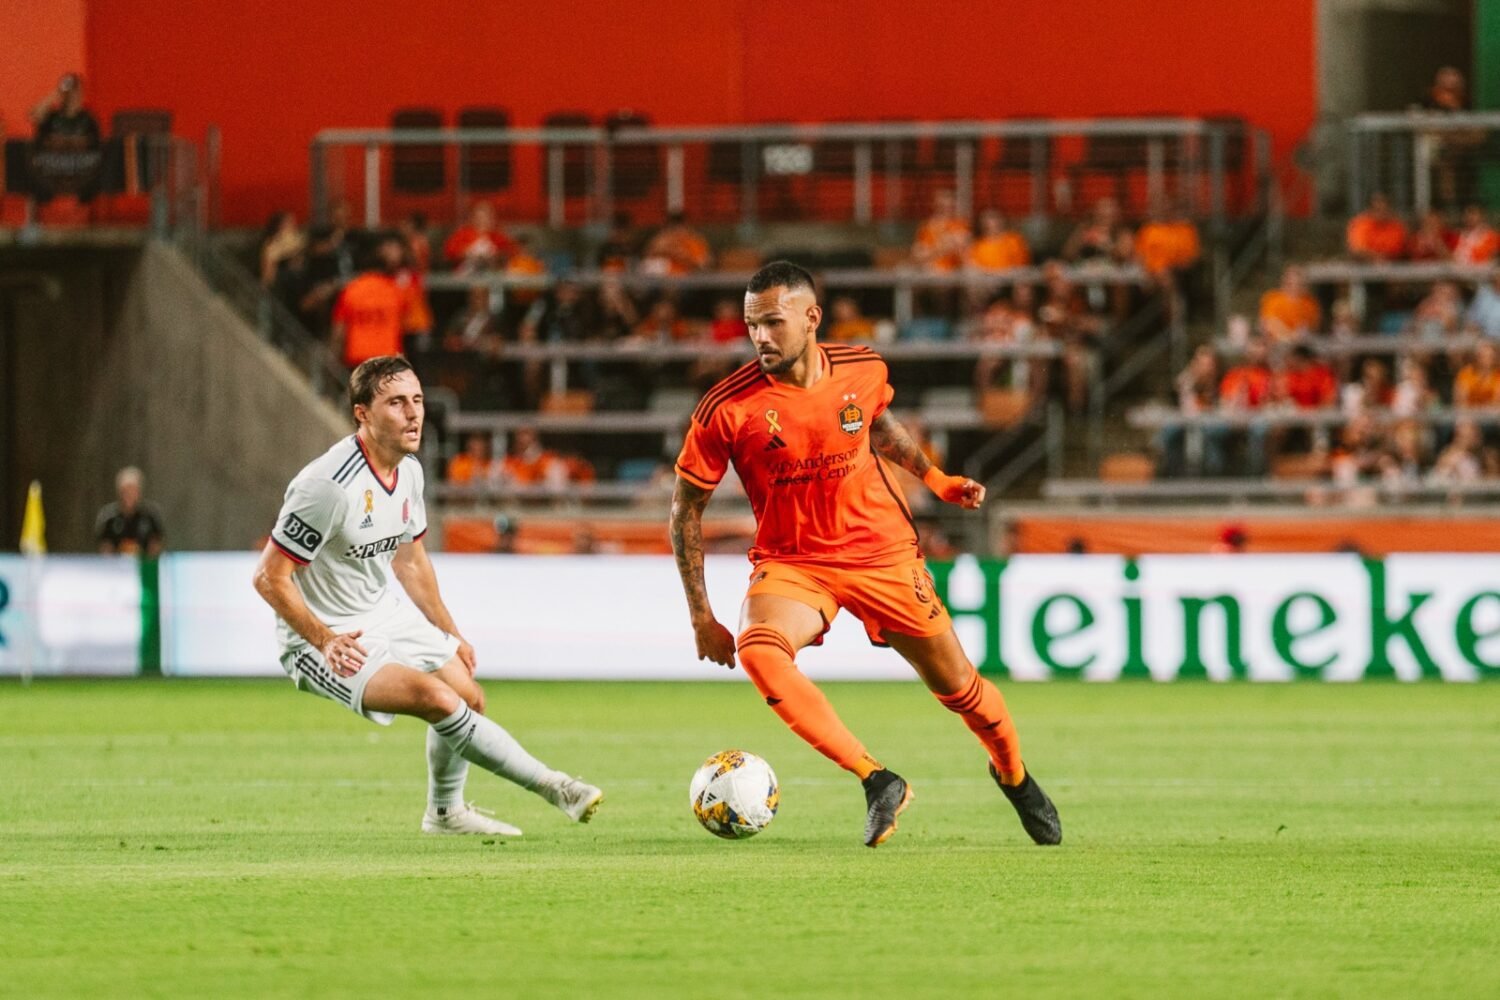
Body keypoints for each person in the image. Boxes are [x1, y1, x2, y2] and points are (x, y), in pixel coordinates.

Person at [668, 261, 1060, 849]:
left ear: (811, 318)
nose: (761, 338)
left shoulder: (863, 368)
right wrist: (702, 615)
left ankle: (1013, 775)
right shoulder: (726, 408)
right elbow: (684, 511)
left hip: (883, 554)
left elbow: (879, 427)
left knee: (963, 690)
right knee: (760, 651)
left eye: (773, 323)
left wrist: (935, 479)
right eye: (753, 326)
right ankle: (877, 780)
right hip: (795, 562)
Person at [251, 356, 602, 837]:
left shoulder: (410, 472)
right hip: (326, 636)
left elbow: (410, 562)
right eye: (396, 403)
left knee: (468, 697)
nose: (413, 413)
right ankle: (554, 786)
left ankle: (444, 813)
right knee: (435, 698)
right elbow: (269, 578)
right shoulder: (327, 487)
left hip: (384, 613)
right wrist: (324, 639)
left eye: (416, 400)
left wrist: (450, 632)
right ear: (363, 414)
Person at [332, 235, 410, 368]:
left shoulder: (351, 289)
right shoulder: (395, 290)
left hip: (357, 360)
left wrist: (334, 359)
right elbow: (404, 327)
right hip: (388, 359)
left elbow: (339, 331)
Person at [28, 72, 102, 207]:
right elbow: (33, 117)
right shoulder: (52, 116)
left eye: (76, 92)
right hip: (52, 167)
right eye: (70, 93)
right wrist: (55, 95)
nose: (73, 97)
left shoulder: (88, 118)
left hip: (80, 167)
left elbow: (96, 146)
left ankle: (83, 212)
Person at [95, 466, 165, 556]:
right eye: (126, 491)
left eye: (133, 490)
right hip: (115, 566)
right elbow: (105, 547)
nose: (129, 494)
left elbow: (156, 544)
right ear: (119, 492)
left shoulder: (151, 515)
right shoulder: (108, 517)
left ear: (139, 492)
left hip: (143, 565)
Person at [443, 201, 517, 275]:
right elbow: (449, 253)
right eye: (479, 217)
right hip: (466, 278)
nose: (482, 220)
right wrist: (465, 253)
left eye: (486, 216)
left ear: (492, 219)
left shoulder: (499, 237)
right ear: (472, 218)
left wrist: (496, 256)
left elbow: (511, 253)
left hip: (492, 278)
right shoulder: (462, 235)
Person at [911, 189, 972, 271]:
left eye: (949, 206)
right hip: (931, 271)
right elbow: (918, 254)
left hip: (954, 271)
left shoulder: (961, 224)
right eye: (942, 206)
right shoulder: (927, 226)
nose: (946, 209)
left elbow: (962, 248)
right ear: (935, 205)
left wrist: (934, 250)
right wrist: (942, 247)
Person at [1258, 265, 1321, 342]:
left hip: (1302, 342)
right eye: (1293, 282)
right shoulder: (1273, 298)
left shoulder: (1310, 302)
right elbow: (1269, 323)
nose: (1297, 285)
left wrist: (1300, 334)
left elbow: (1313, 326)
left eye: (1300, 283)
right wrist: (1290, 336)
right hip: (1277, 341)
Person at [1345, 193, 1408, 262]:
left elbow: (1398, 249)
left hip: (1393, 266)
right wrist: (1375, 258)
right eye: (1378, 209)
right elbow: (1358, 250)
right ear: (1370, 209)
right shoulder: (1360, 224)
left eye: (1385, 208)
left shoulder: (1397, 226)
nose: (1382, 212)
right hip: (1363, 267)